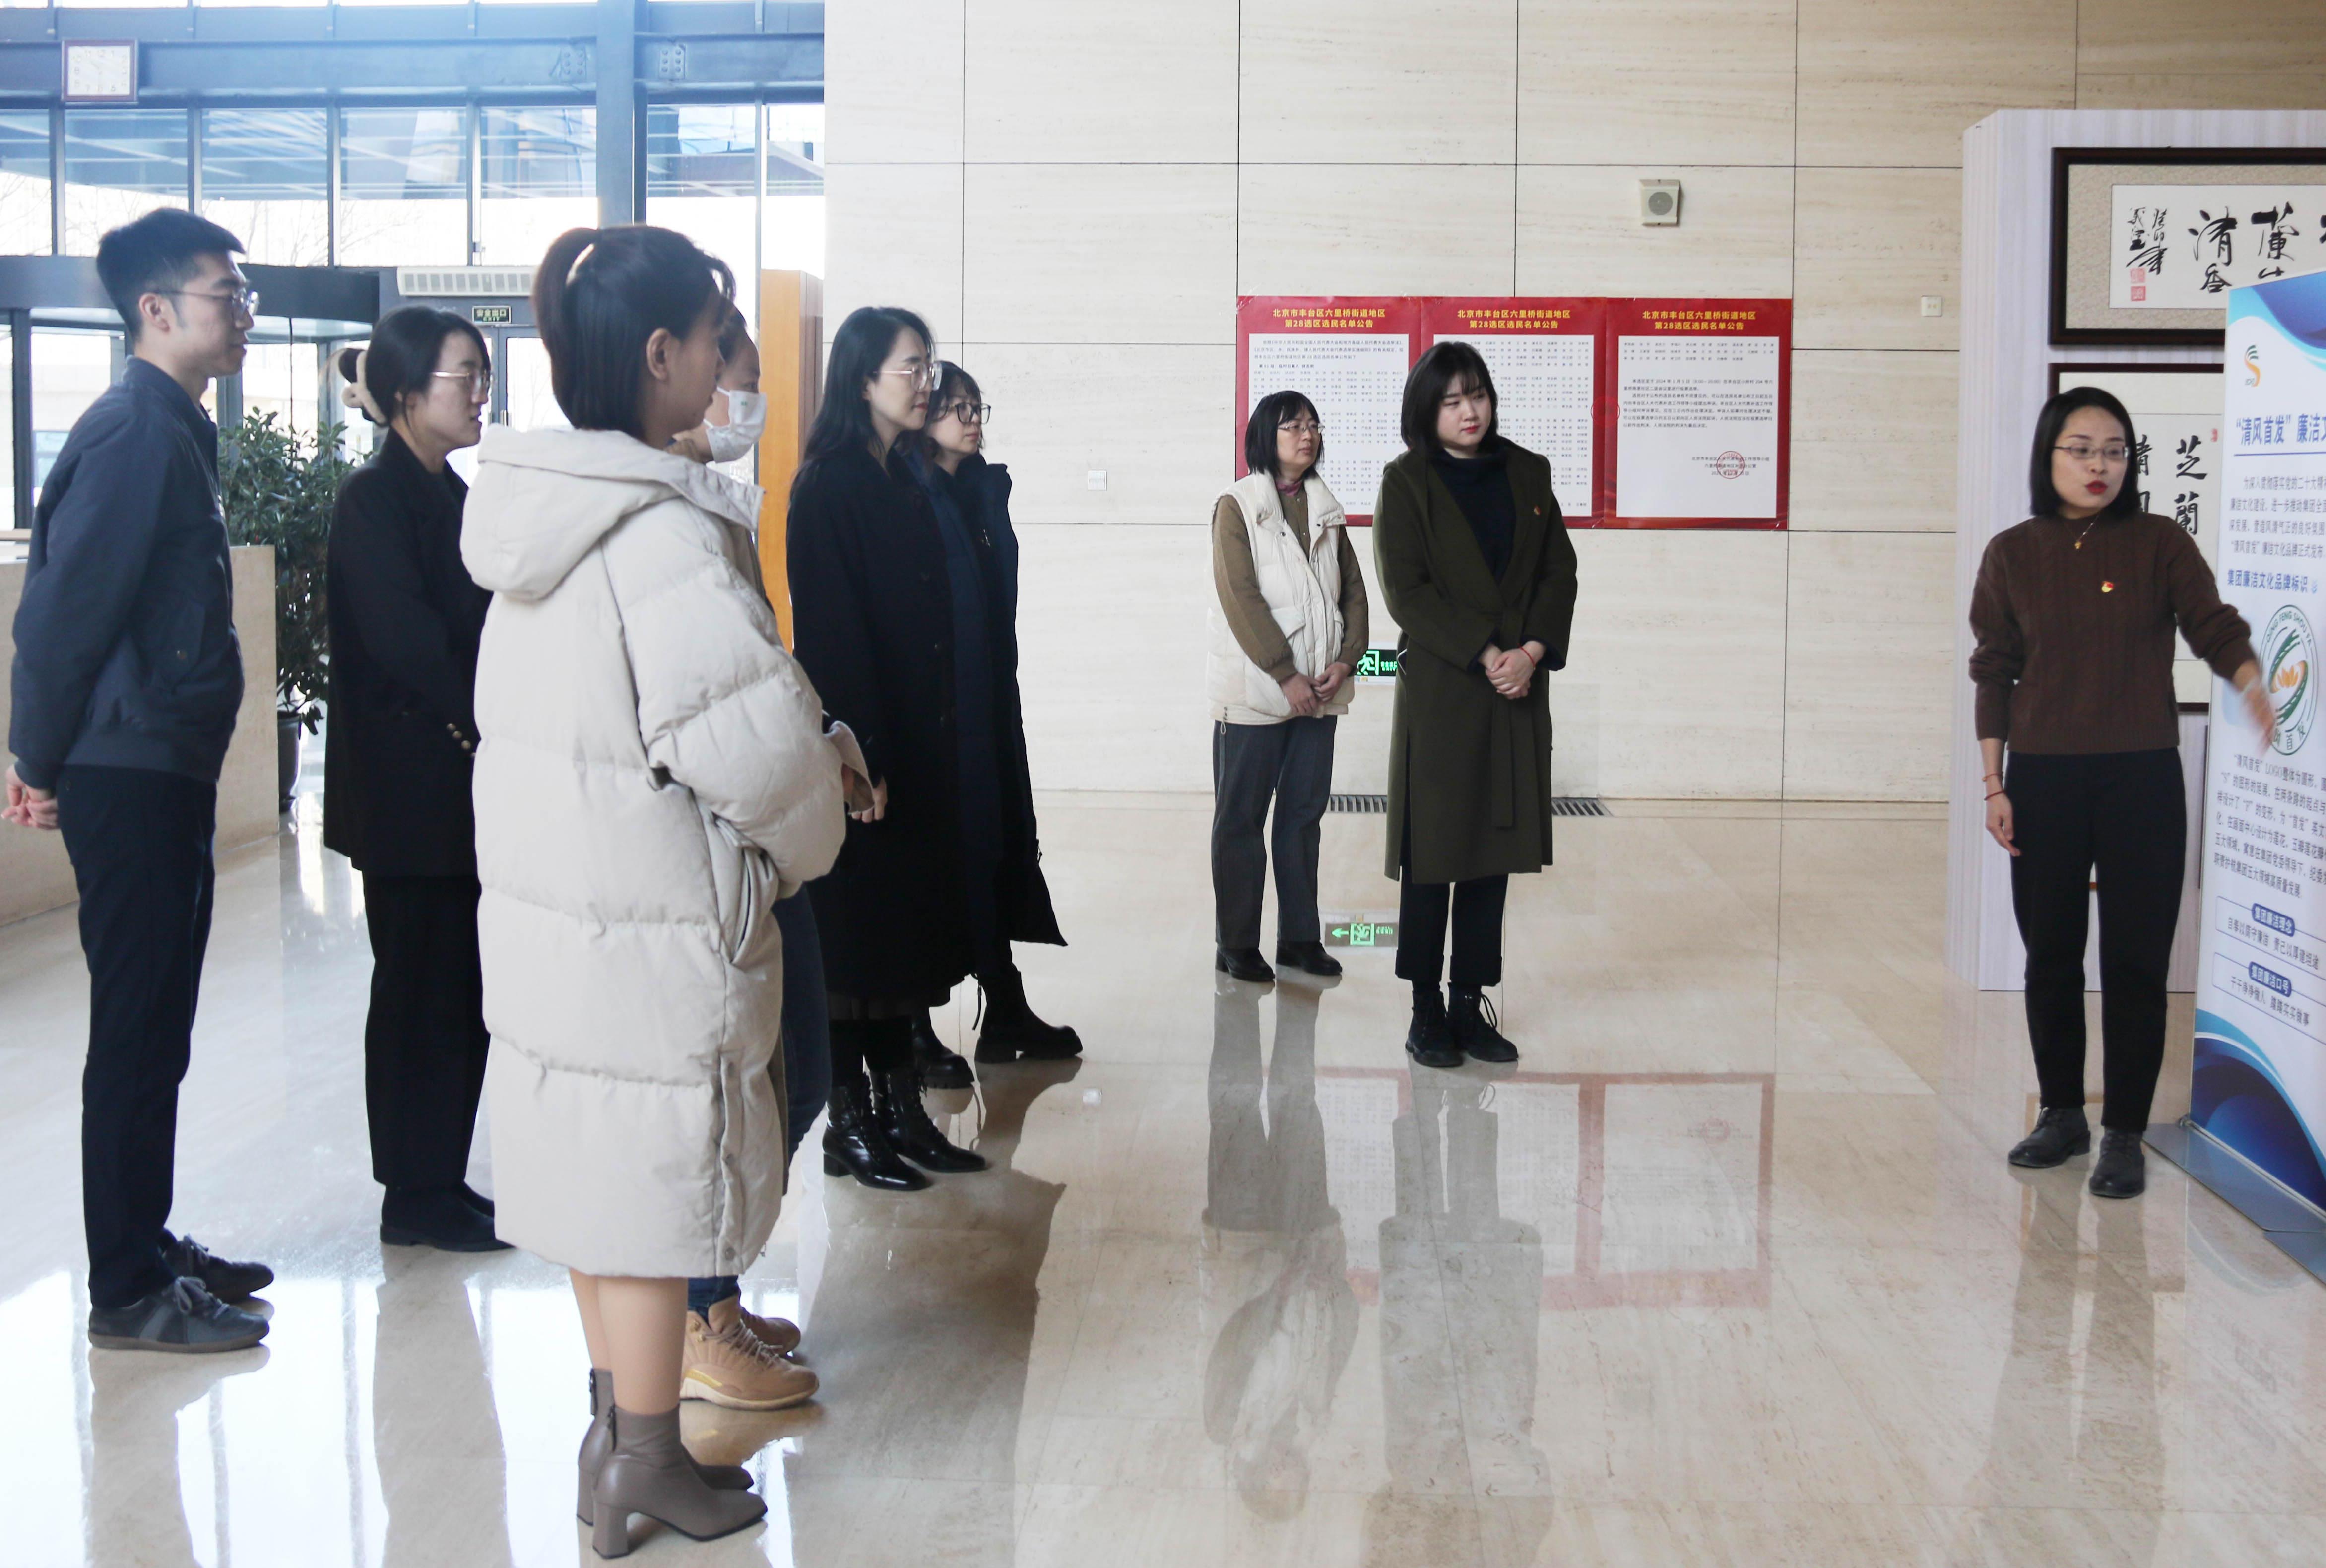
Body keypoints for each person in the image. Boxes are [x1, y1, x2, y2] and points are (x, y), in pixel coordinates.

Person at [460, 224, 856, 1555]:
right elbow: (757, 756)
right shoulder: (659, 535)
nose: (737, 366)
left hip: (565, 916)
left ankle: (615, 1446)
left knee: (601, 1194)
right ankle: (642, 1462)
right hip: (651, 927)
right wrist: (810, 829)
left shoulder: (541, 519)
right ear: (659, 355)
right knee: (646, 1201)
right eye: (719, 338)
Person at [4, 208, 275, 1354]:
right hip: (126, 765)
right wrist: (32, 757)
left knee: (157, 1021)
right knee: (135, 1024)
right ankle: (123, 1285)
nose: (246, 312)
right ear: (155, 310)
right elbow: (60, 614)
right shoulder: (132, 433)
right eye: (227, 294)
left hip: (157, 760)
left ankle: (146, 1241)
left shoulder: (170, 426)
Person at [1970, 386, 2275, 1200]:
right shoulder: (2011, 552)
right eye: (2080, 449)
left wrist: (2249, 680)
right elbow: (1994, 669)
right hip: (2043, 777)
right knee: (2050, 956)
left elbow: (2210, 625)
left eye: (2113, 450)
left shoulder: (2158, 542)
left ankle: (2125, 1133)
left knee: (2137, 961)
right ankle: (2062, 1114)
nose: (2098, 465)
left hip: (2141, 776)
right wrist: (1993, 781)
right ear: (2048, 456)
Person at [667, 306, 838, 1412]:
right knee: (725, 1093)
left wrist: (820, 744)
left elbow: (759, 671)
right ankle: (691, 1314)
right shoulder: (658, 523)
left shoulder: (712, 504)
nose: (747, 400)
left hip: (765, 841)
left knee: (787, 1076)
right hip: (715, 844)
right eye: (736, 372)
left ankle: (715, 1297)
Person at [787, 306, 991, 1189]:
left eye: (927, 364)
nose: (924, 382)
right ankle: (850, 1122)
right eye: (911, 366)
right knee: (855, 946)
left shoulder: (902, 475)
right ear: (862, 376)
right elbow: (833, 637)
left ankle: (903, 1110)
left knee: (902, 941)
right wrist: (860, 758)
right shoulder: (827, 485)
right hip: (860, 757)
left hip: (916, 741)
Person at [325, 308, 509, 1256]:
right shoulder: (372, 500)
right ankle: (411, 1192)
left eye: (483, 375)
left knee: (460, 992)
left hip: (459, 788)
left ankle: (440, 1176)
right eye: (461, 376)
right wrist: (492, 708)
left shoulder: (453, 493)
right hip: (408, 793)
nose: (479, 393)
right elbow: (408, 645)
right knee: (416, 995)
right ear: (403, 392)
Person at [1373, 342, 1577, 1070]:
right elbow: (1406, 591)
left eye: (1478, 395)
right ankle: (1425, 1008)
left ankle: (1469, 1001)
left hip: (1516, 689)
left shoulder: (1528, 472)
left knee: (1493, 852)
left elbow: (1558, 571)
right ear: (1427, 411)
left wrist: (1532, 652)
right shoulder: (1406, 482)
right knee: (1434, 855)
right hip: (1446, 690)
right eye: (1452, 400)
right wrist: (1488, 653)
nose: (1469, 412)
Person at [902, 360, 1077, 1089]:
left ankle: (1004, 1008)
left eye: (979, 408)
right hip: (936, 710)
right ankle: (913, 1028)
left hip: (987, 698)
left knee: (994, 846)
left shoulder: (978, 489)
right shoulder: (910, 496)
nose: (973, 421)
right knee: (936, 862)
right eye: (958, 408)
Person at [1209, 390, 1369, 986]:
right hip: (1255, 690)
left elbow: (1353, 593)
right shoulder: (1237, 505)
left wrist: (1346, 662)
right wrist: (1285, 673)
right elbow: (1240, 597)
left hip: (1319, 693)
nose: (1307, 434)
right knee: (1240, 820)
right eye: (1292, 426)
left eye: (1312, 425)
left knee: (1303, 816)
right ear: (1263, 436)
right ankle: (1235, 944)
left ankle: (1299, 939)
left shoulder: (1325, 507)